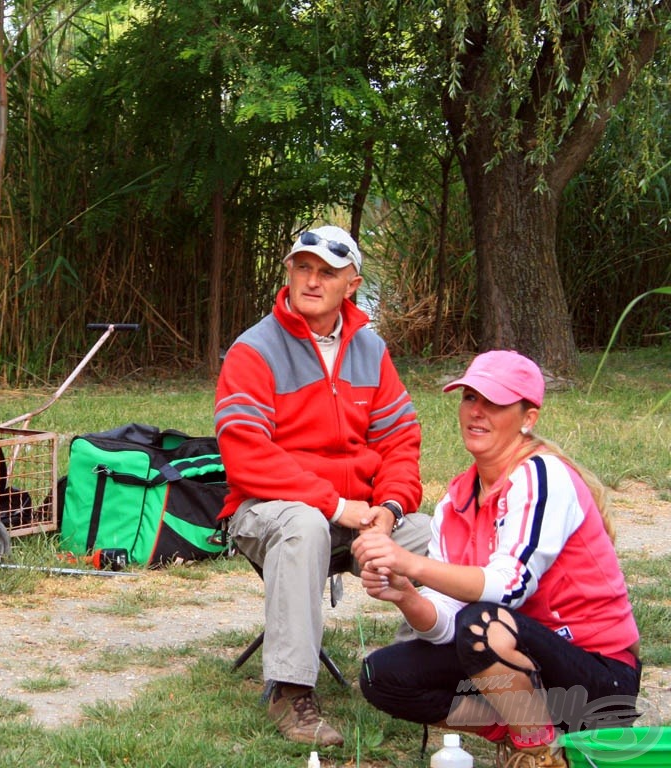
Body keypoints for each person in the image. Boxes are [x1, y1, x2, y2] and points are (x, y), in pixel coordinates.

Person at [353, 350, 641, 768]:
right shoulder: (454, 501)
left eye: (495, 402)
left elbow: (510, 587)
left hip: (600, 680)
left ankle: (538, 755)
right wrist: (405, 595)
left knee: (483, 623)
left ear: (528, 417)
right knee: (382, 674)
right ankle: (536, 731)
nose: (477, 412)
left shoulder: (543, 475)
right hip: (520, 669)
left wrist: (410, 562)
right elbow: (446, 622)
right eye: (469, 398)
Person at [214, 225, 431, 747]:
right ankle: (290, 692)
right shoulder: (254, 350)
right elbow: (245, 454)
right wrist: (337, 505)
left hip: (357, 515)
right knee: (305, 523)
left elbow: (401, 438)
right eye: (302, 268)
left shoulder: (371, 350)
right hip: (267, 511)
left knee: (430, 534)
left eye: (326, 273)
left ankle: (417, 674)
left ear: (351, 284)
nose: (311, 280)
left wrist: (391, 508)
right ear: (288, 272)